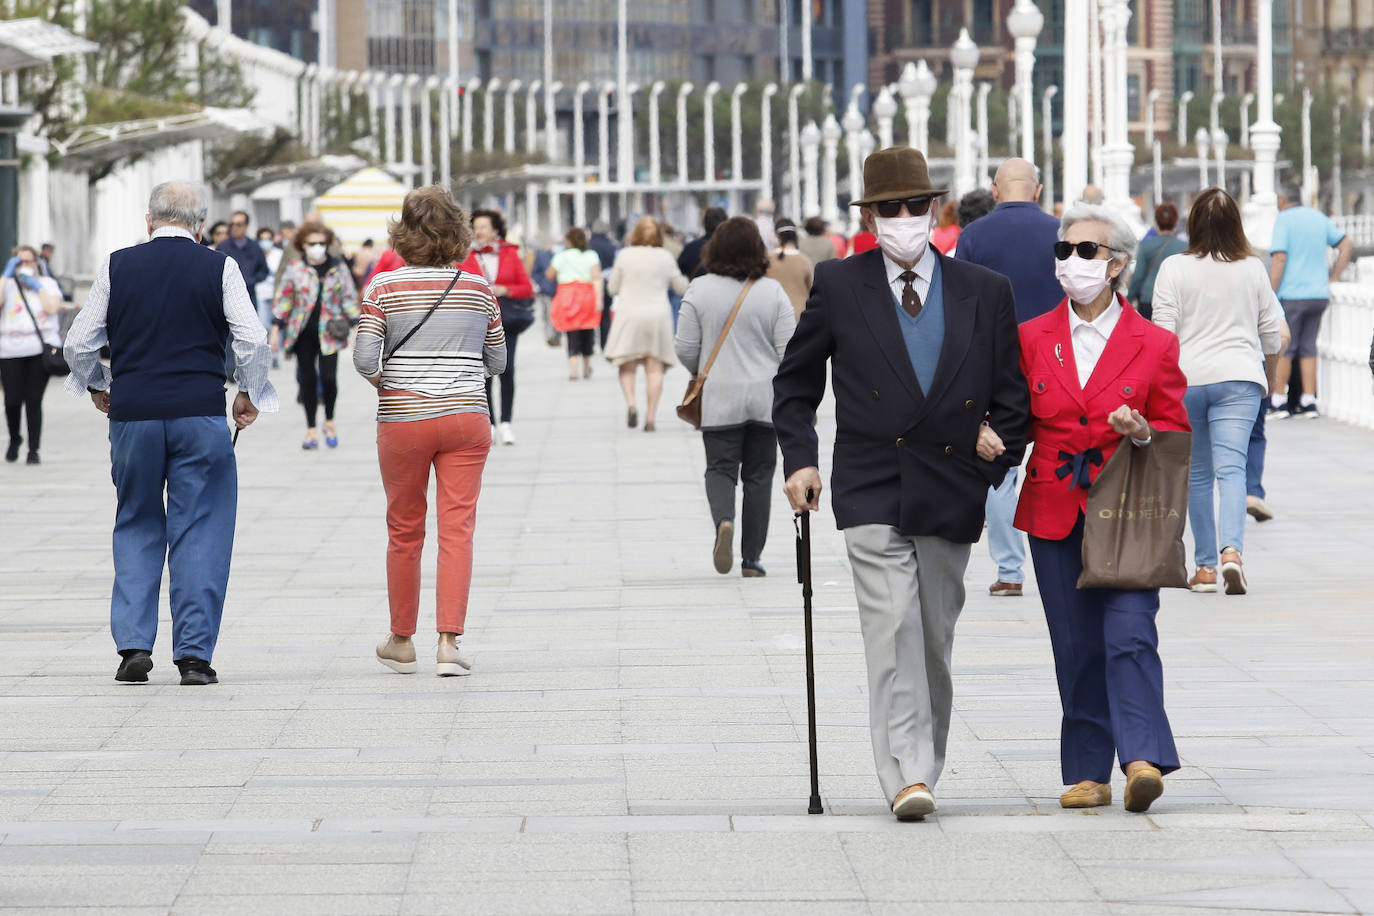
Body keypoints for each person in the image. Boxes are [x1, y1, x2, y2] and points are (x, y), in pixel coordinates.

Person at [773, 147, 1028, 821]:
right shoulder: (838, 283)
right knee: (893, 628)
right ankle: (906, 775)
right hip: (871, 481)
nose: (906, 219)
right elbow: (794, 387)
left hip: (951, 484)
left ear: (935, 210)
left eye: (917, 206)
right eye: (891, 209)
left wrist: (995, 452)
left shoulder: (983, 290)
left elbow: (1015, 400)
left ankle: (924, 763)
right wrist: (799, 461)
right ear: (871, 216)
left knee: (934, 639)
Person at [1002, 202, 1190, 814]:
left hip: (1130, 513)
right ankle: (1088, 771)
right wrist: (987, 439)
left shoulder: (1155, 343)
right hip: (1054, 507)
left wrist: (1140, 431)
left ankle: (1140, 759)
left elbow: (1175, 431)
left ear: (1116, 266)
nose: (1073, 262)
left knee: (1130, 633)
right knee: (1076, 645)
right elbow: (1013, 418)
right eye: (1065, 250)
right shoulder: (1031, 337)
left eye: (1087, 251)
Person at [62, 181, 278, 686]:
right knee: (200, 526)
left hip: (133, 412)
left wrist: (98, 384)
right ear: (201, 226)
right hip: (199, 413)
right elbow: (252, 338)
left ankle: (134, 646)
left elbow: (78, 343)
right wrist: (249, 391)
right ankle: (194, 657)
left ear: (149, 220)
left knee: (136, 519)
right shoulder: (219, 266)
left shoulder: (117, 265)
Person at [353, 185, 506, 677]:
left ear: (403, 232)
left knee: (404, 529)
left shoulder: (382, 288)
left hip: (403, 420)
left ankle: (401, 640)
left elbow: (363, 359)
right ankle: (448, 642)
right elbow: (498, 361)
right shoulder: (479, 291)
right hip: (467, 418)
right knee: (457, 528)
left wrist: (391, 382)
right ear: (459, 232)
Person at [1151, 188, 1285, 596]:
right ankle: (1232, 553)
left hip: (1187, 380)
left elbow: (1162, 332)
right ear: (1236, 225)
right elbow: (1272, 335)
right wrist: (1271, 375)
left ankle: (1205, 567)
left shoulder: (1174, 267)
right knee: (1232, 470)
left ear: (1192, 224)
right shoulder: (1252, 269)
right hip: (1239, 379)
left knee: (1197, 475)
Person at [953, 158, 1063, 599]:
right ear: (1036, 190)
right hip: (1058, 360)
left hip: (996, 364)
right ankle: (1070, 555)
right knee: (1062, 454)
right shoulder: (1064, 232)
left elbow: (959, 308)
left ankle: (1010, 569)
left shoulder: (973, 236)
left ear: (995, 192)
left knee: (1000, 464)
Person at [676, 217, 797, 577]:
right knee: (760, 475)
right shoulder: (772, 291)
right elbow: (789, 348)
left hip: (719, 396)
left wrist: (701, 370)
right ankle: (752, 559)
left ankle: (724, 522)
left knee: (720, 469)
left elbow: (684, 347)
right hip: (765, 397)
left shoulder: (699, 289)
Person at [1268, 186, 1355, 418]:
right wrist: (1334, 276)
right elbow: (1347, 244)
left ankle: (1279, 400)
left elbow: (1279, 257)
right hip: (1318, 294)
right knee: (1308, 347)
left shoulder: (1283, 219)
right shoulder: (1318, 217)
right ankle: (1309, 400)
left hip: (1292, 294)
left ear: (1282, 199)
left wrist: (1269, 291)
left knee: (1286, 346)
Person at [272, 221, 360, 450]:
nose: (317, 247)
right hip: (302, 333)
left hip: (330, 332)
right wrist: (275, 329)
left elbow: (349, 298)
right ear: (303, 244)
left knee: (329, 378)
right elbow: (284, 299)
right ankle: (311, 427)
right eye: (312, 243)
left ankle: (329, 421)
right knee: (307, 379)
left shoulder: (338, 268)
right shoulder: (295, 268)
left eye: (322, 243)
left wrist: (357, 325)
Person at [605, 216, 689, 432]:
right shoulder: (665, 257)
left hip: (629, 314)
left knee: (627, 366)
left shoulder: (625, 255)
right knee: (654, 368)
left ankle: (632, 404)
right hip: (657, 316)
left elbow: (613, 288)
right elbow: (681, 287)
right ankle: (650, 417)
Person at [458, 208, 533, 446]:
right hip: (477, 320)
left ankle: (507, 422)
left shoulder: (510, 254)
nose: (478, 232)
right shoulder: (464, 256)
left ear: (496, 230)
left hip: (506, 320)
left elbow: (526, 288)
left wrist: (505, 289)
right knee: (483, 373)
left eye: (483, 227)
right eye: (475, 227)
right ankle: (488, 423)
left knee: (507, 369)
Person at [1, 246, 63, 464]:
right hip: (9, 350)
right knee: (11, 401)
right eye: (20, 263)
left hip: (38, 350)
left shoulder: (47, 284)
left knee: (33, 400)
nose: (25, 266)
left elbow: (52, 308)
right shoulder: (7, 285)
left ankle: (33, 449)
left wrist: (37, 287)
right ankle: (15, 438)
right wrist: (6, 276)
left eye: (29, 262)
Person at [547, 227, 604, 380]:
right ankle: (586, 365)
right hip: (587, 296)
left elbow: (550, 275)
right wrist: (599, 300)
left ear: (569, 241)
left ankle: (573, 369)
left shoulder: (561, 256)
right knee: (587, 331)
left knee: (571, 332)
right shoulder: (591, 255)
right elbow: (597, 278)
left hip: (567, 296)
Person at [1126, 204, 1187, 321]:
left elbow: (1138, 277)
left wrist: (1128, 300)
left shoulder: (1146, 246)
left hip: (1149, 299)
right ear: (1175, 221)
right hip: (1176, 299)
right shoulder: (1184, 247)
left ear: (1157, 221)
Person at [217, 211, 270, 323]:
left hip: (249, 297)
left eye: (239, 224)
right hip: (227, 298)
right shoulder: (223, 247)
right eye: (232, 224)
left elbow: (263, 270)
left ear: (246, 226)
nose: (235, 228)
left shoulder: (255, 247)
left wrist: (252, 280)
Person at [764, 218, 814, 319]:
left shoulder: (768, 260)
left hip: (773, 315)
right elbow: (812, 289)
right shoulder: (805, 260)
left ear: (777, 236)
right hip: (800, 315)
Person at [589, 220, 620, 349]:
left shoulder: (588, 245)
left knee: (589, 314)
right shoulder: (612, 245)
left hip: (590, 283)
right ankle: (604, 343)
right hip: (607, 282)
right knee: (605, 315)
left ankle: (589, 344)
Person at [677, 207, 727, 280]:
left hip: (695, 289)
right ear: (726, 224)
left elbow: (679, 272)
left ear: (704, 224)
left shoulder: (690, 248)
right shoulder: (731, 250)